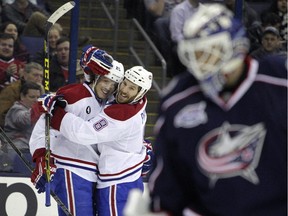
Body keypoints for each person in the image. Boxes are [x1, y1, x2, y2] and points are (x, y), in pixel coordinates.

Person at [133, 4, 286, 216]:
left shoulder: (278, 81)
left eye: (211, 53)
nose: (203, 65)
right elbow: (168, 190)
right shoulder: (178, 100)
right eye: (196, 54)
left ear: (237, 46)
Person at [42, 65, 153, 216]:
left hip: (118, 184)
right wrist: (90, 72)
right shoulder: (137, 104)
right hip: (128, 179)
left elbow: (83, 133)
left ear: (141, 93)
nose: (124, 90)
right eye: (125, 83)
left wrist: (57, 113)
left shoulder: (121, 115)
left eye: (132, 88)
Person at [29, 45, 124, 216]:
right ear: (95, 77)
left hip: (93, 174)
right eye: (105, 81)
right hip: (71, 169)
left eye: (113, 84)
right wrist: (41, 156)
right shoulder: (75, 95)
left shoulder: (109, 104)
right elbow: (44, 122)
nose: (109, 87)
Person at [3, 81, 41, 176]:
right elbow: (24, 119)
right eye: (32, 97)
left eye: (38, 97)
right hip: (14, 154)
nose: (36, 100)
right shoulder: (16, 109)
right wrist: (39, 107)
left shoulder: (37, 112)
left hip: (28, 153)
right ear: (22, 97)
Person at [0, 61, 44, 128]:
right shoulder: (11, 90)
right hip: (14, 131)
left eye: (41, 76)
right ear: (25, 75)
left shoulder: (41, 90)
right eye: (35, 75)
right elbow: (2, 115)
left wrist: (43, 94)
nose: (39, 79)